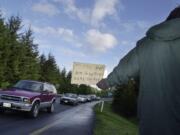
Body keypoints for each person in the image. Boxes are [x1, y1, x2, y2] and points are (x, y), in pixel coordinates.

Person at [97, 6, 180, 135]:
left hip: (152, 122)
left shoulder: (147, 43)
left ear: (169, 19)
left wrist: (106, 82)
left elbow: (125, 68)